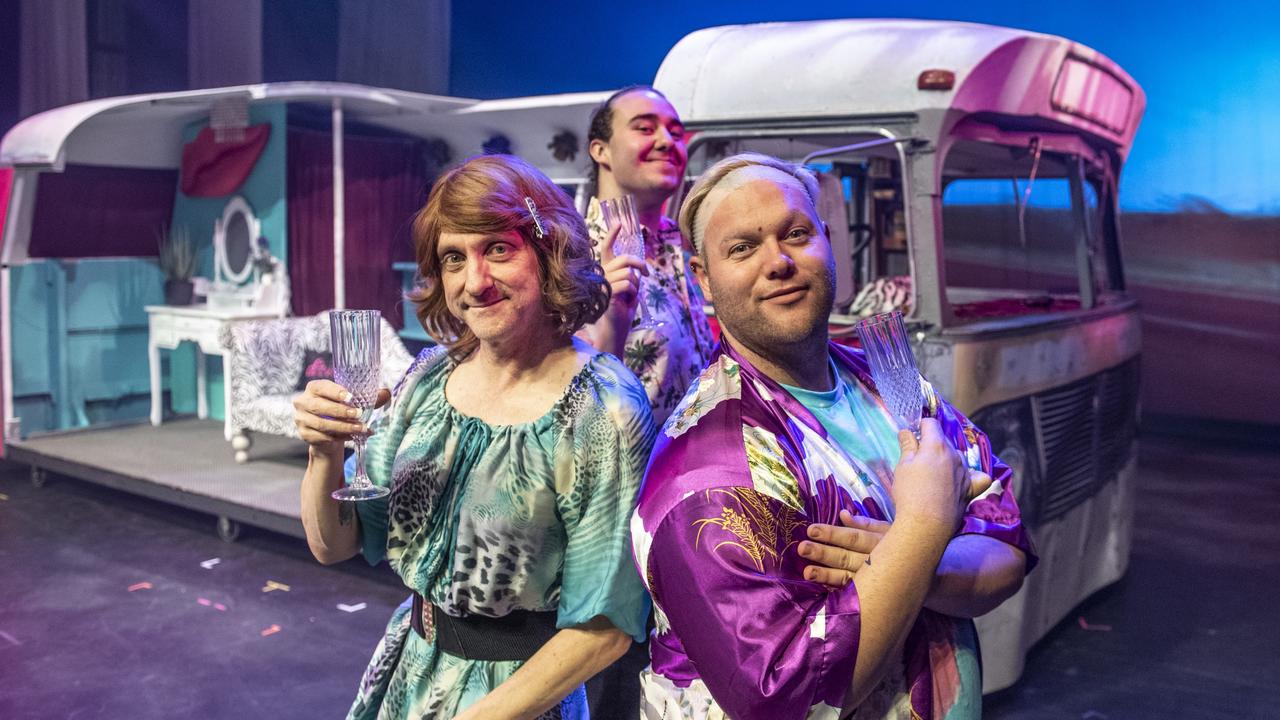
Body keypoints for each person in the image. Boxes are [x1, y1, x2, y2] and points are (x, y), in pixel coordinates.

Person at [631, 153, 1036, 719]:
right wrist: (923, 528)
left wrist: (912, 561)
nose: (778, 262)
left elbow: (1008, 545)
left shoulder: (889, 384)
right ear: (702, 277)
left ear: (827, 239)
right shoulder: (708, 472)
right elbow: (790, 699)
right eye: (742, 248)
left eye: (796, 234)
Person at [294, 154, 656, 720]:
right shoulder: (429, 376)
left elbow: (606, 627)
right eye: (453, 258)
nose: (475, 282)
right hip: (409, 671)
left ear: (550, 252)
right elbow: (332, 545)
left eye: (499, 250)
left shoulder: (602, 408)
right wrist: (324, 452)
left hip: (520, 699)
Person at [578, 85, 715, 427]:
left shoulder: (678, 245)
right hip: (635, 474)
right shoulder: (572, 256)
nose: (667, 141)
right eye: (644, 128)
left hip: (698, 472)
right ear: (601, 151)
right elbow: (571, 409)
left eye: (676, 132)